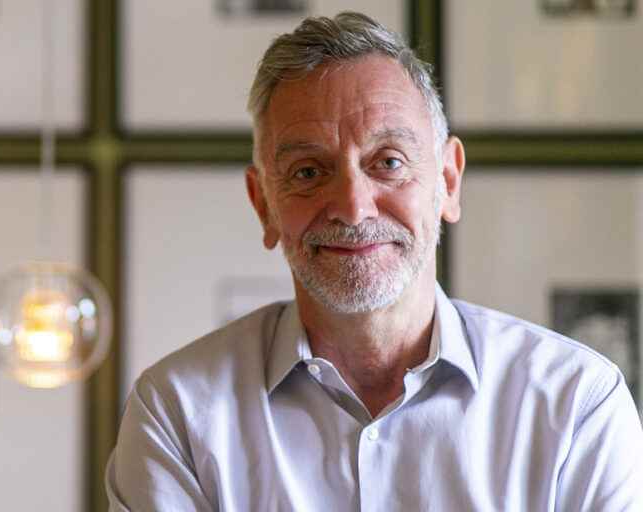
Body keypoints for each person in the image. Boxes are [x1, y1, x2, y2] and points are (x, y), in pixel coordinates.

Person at [106, 11, 643, 511]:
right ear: (263, 204)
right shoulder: (176, 414)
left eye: (388, 162)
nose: (353, 208)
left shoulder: (577, 406)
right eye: (308, 172)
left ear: (448, 182)